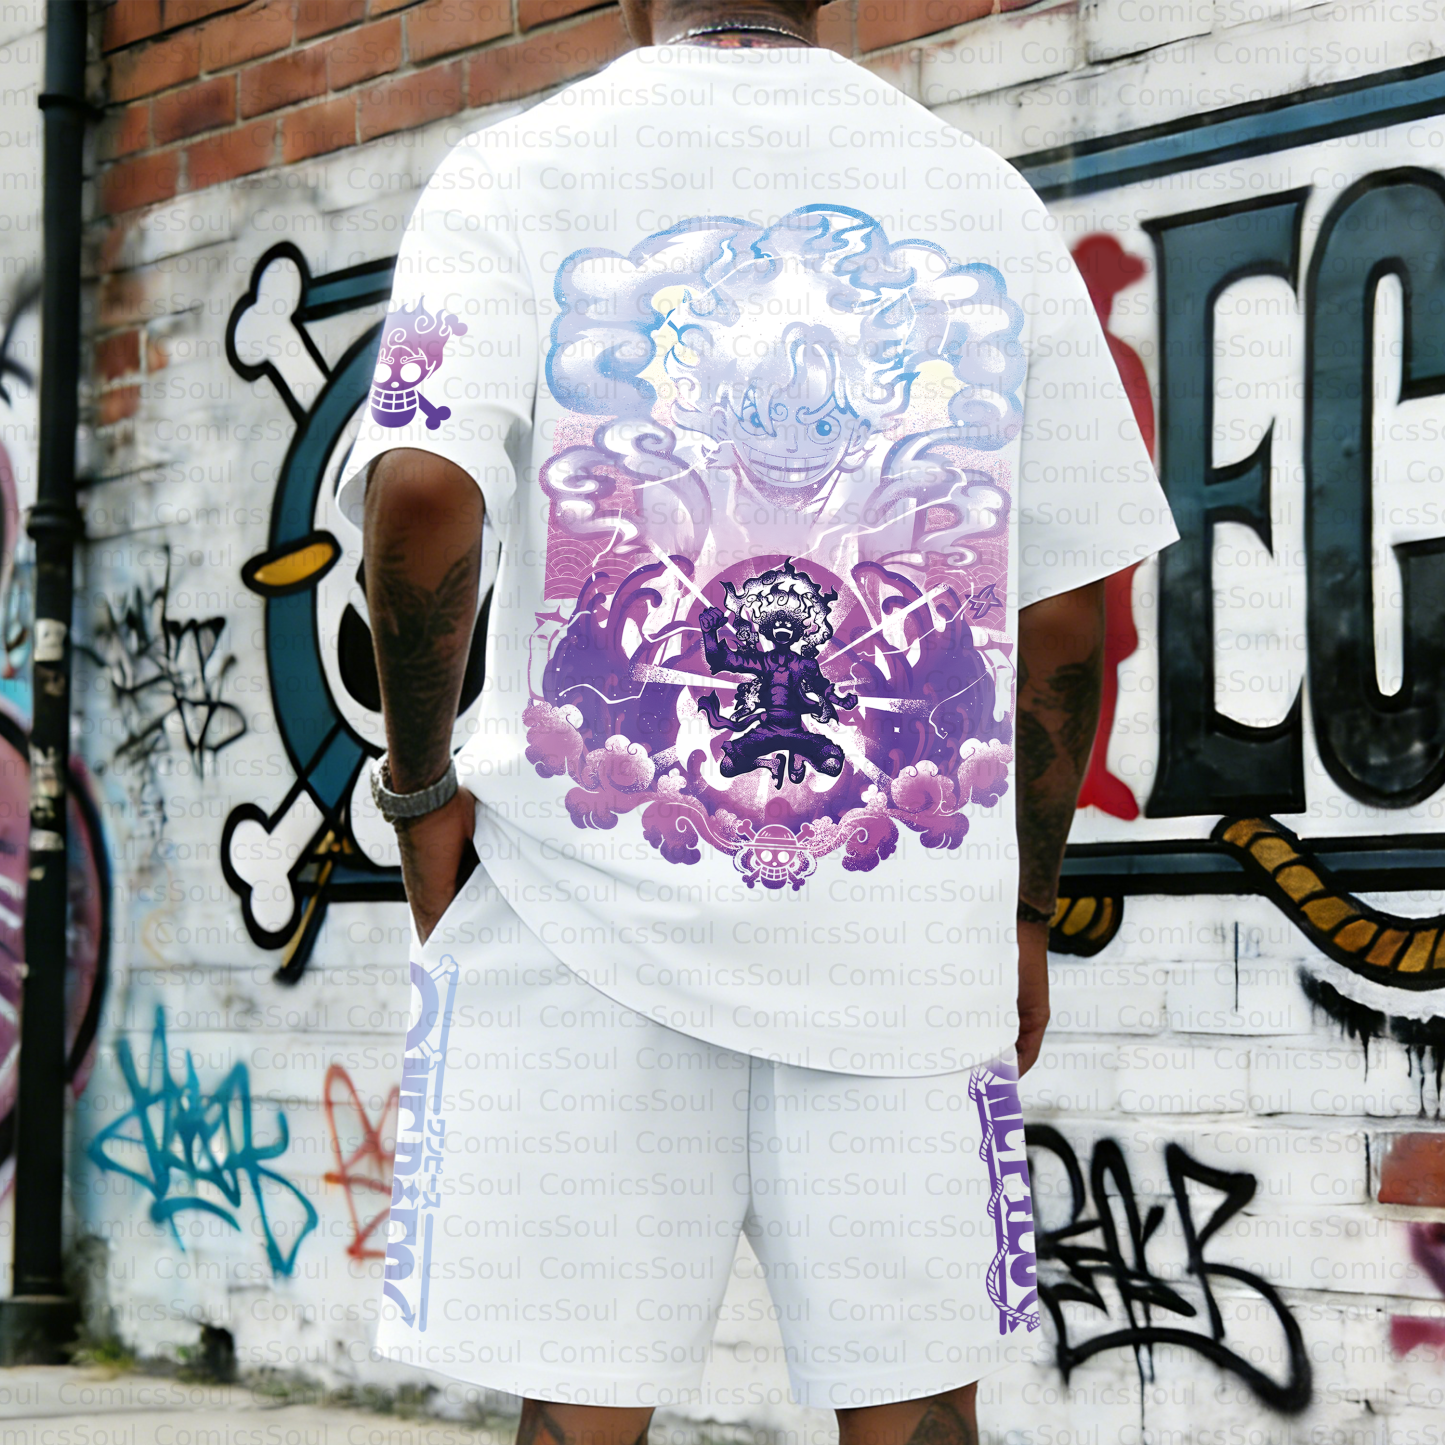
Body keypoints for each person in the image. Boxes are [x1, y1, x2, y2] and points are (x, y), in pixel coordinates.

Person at [338, 0, 1179, 1440]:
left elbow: (419, 498)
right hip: (905, 947)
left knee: (579, 1412)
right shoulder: (982, 198)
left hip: (580, 922)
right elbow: (1063, 621)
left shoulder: (511, 174)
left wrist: (420, 800)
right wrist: (1024, 912)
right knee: (921, 1411)